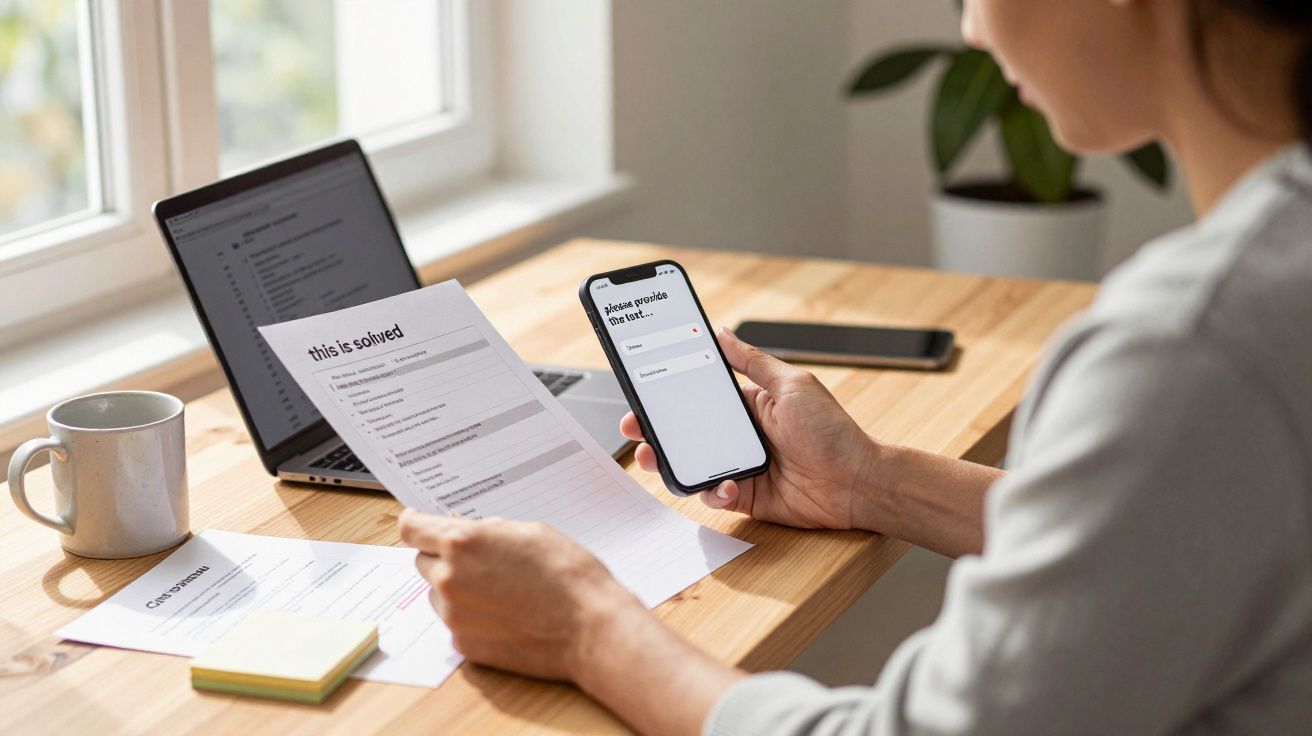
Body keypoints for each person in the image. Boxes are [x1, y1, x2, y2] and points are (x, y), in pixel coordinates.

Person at [398, 0, 1312, 733]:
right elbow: (1177, 535)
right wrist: (872, 484)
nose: (972, 29)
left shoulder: (1198, 343)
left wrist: (586, 626)